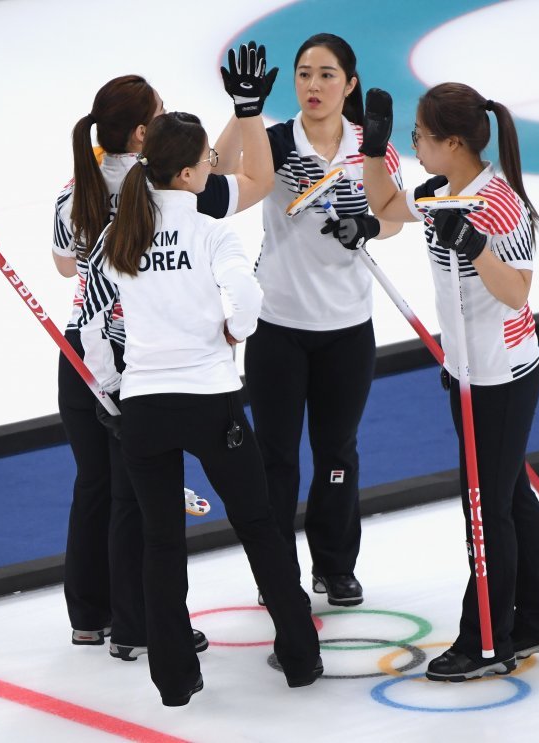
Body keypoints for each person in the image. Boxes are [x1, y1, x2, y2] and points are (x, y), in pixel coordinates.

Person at [79, 111, 322, 706]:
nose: (214, 167)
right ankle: (298, 656)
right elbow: (246, 298)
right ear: (188, 173)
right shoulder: (213, 231)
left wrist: (111, 390)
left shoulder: (120, 234)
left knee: (162, 544)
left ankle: (175, 679)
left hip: (144, 408)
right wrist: (234, 331)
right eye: (209, 161)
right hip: (212, 401)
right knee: (259, 527)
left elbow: (91, 328)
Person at [52, 44, 277, 660]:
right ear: (145, 131)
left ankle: (90, 617)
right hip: (134, 358)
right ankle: (139, 628)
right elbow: (240, 177)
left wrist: (234, 115)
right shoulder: (163, 194)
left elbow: (65, 261)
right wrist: (248, 113)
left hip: (81, 351)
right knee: (137, 501)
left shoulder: (81, 179)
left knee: (94, 486)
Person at [356, 82, 539, 681]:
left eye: (419, 139)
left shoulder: (497, 203)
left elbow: (517, 292)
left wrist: (475, 246)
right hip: (466, 369)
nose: (415, 148)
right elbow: (386, 208)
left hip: (499, 377)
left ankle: (486, 640)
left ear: (453, 143)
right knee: (507, 498)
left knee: (486, 509)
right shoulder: (442, 190)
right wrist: (375, 151)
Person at [233, 33, 402, 607]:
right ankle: (277, 572)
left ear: (350, 84)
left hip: (347, 328)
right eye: (304, 74)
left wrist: (372, 227)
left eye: (327, 75)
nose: (313, 85)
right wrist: (244, 113)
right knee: (276, 457)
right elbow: (218, 173)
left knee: (337, 453)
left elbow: (393, 214)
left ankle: (335, 565)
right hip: (278, 325)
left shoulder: (370, 145)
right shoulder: (276, 142)